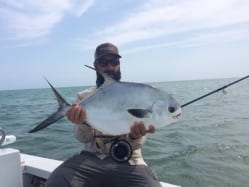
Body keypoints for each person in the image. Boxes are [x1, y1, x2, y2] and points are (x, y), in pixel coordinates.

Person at [46, 43, 162, 187]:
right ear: (95, 66)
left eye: (114, 62)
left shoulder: (134, 94)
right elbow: (83, 138)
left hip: (130, 159)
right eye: (103, 62)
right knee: (57, 181)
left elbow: (137, 144)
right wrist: (82, 122)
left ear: (119, 64)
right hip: (91, 158)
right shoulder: (84, 97)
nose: (110, 67)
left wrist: (135, 135)